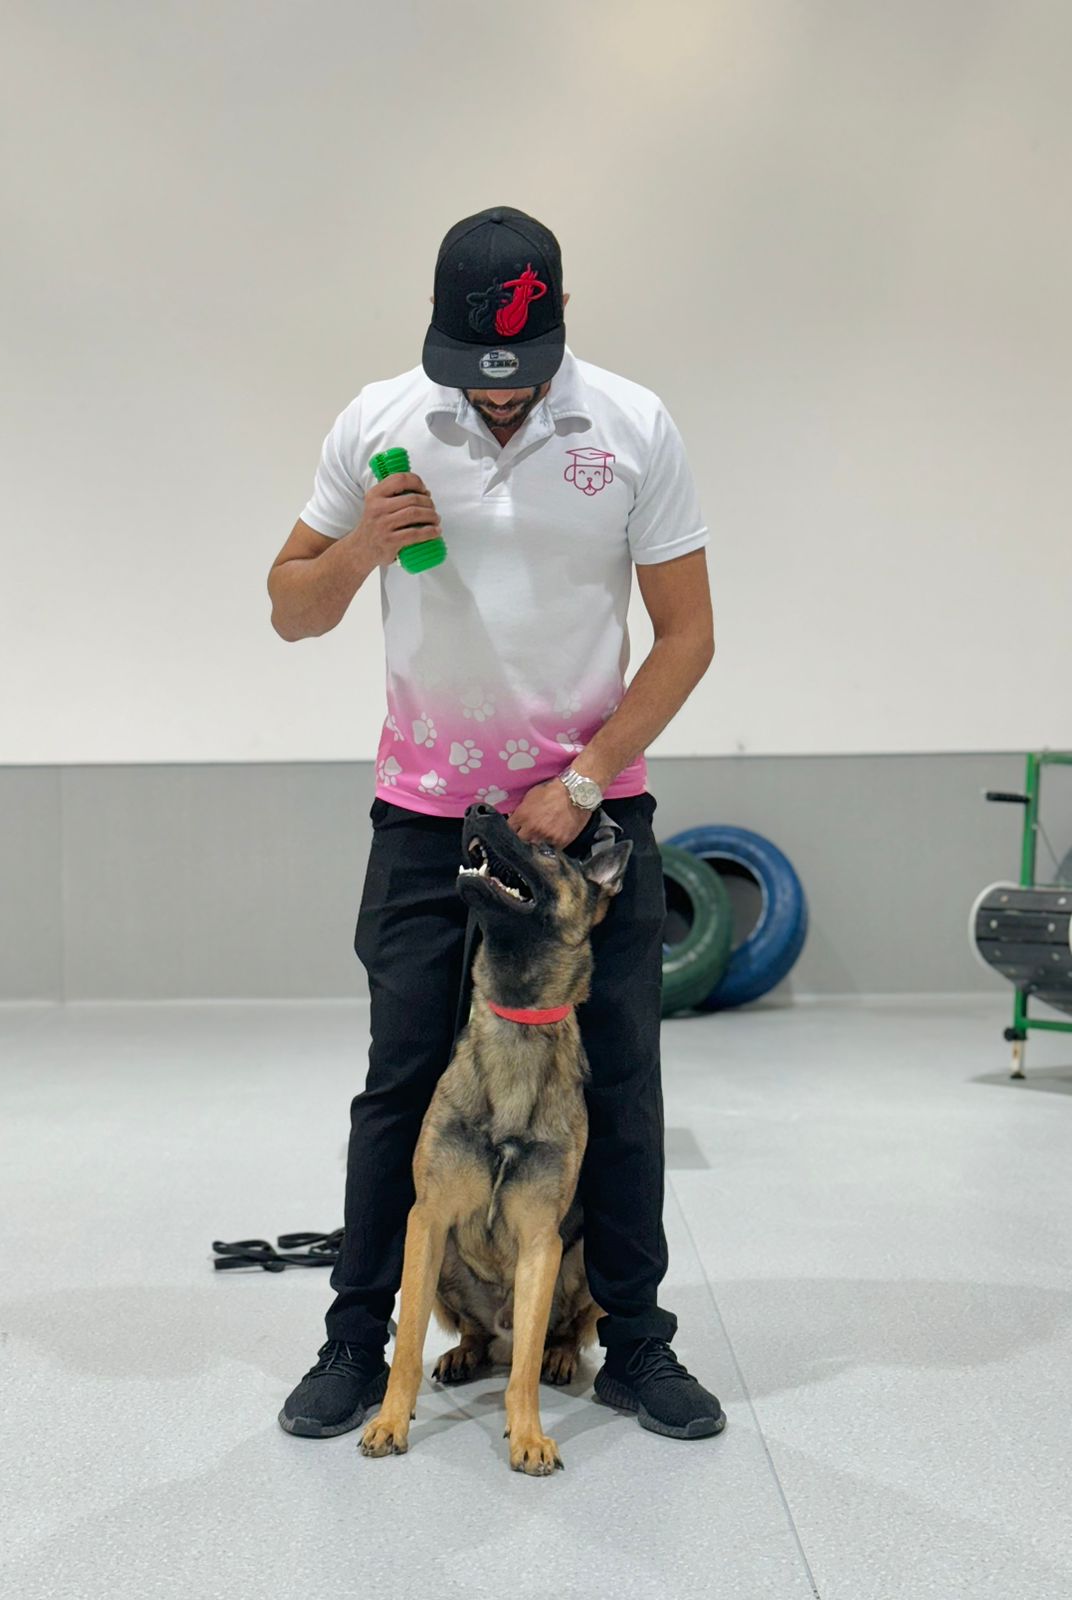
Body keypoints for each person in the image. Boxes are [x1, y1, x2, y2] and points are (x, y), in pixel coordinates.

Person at [267, 205, 722, 1443]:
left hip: (589, 813)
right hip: (428, 816)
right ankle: (356, 1343)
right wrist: (362, 544)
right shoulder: (378, 422)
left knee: (618, 1084)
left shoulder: (632, 425)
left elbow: (689, 636)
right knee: (403, 1081)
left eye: (522, 385)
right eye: (480, 384)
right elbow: (288, 609)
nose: (502, 404)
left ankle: (639, 1345)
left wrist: (584, 780)